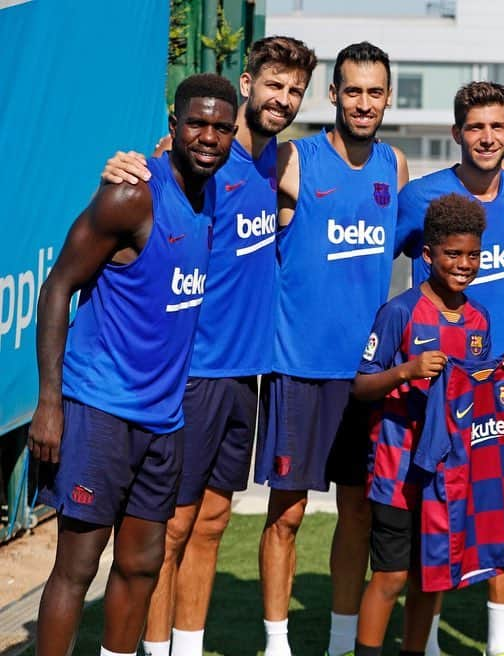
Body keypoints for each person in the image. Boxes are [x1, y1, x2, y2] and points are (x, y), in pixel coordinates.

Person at [99, 36, 317, 656]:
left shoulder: (279, 160)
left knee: (213, 522)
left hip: (245, 373)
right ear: (247, 85)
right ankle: (152, 647)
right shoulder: (200, 157)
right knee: (168, 529)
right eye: (274, 84)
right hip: (192, 372)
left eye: (295, 89)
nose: (284, 98)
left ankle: (187, 648)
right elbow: (147, 184)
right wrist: (126, 164)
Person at [27, 73, 237, 656]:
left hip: (164, 418)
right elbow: (57, 287)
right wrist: (49, 403)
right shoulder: (133, 193)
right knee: (78, 562)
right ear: (173, 127)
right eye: (197, 122)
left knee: (143, 563)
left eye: (222, 127)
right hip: (99, 409)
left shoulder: (213, 193)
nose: (209, 136)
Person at [258, 41, 409, 656]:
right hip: (300, 369)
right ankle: (276, 643)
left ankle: (342, 644)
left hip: (366, 375)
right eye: (353, 90)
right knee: (287, 515)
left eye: (375, 92)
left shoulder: (394, 168)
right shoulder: (294, 160)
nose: (364, 102)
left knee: (358, 513)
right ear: (334, 95)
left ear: (388, 97)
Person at [353, 193, 504, 656]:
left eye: (473, 254)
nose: (464, 264)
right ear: (428, 255)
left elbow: (476, 389)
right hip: (396, 472)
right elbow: (361, 385)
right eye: (453, 254)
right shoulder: (401, 311)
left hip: (447, 477)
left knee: (431, 577)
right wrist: (405, 372)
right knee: (390, 577)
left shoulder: (479, 318)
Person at [395, 80, 504, 656]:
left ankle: (499, 645)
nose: (486, 137)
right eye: (474, 126)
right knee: (434, 514)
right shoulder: (420, 198)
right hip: (435, 391)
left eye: (496, 126)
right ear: (457, 133)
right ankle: (424, 643)